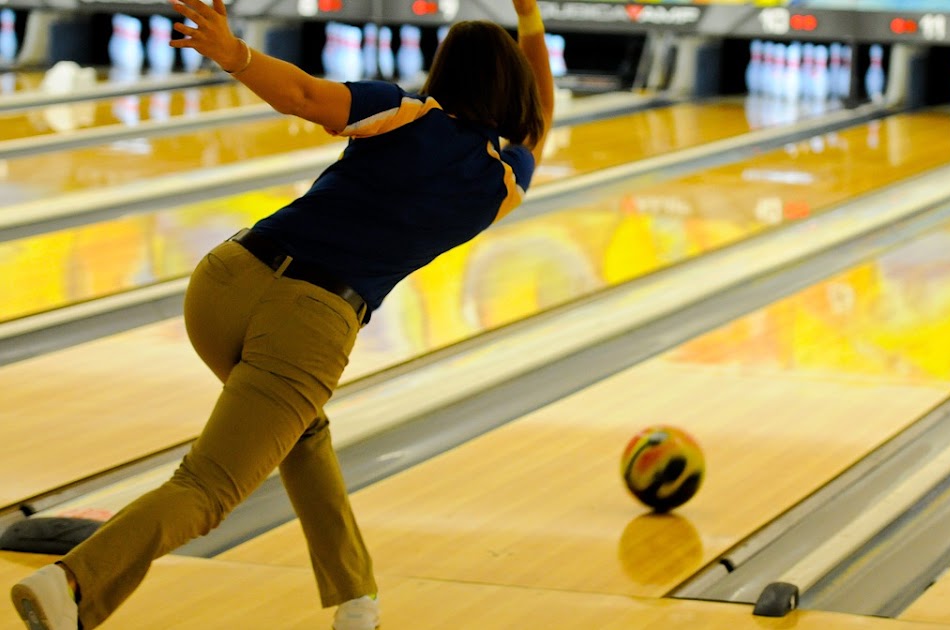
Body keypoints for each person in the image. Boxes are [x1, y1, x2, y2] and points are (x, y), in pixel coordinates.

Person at [10, 0, 553, 627]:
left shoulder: (403, 110)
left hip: (224, 281)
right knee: (207, 488)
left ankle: (356, 599)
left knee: (302, 430)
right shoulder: (503, 180)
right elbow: (539, 117)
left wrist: (232, 52)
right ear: (511, 87)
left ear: (441, 73)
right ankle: (72, 583)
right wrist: (530, 16)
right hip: (309, 322)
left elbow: (299, 92)